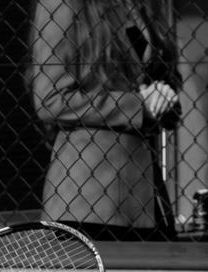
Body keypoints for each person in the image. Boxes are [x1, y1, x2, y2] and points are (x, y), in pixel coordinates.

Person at [27, 0, 182, 241]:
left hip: (145, 195)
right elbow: (50, 99)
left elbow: (155, 84)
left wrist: (163, 99)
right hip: (88, 198)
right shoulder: (63, 4)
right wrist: (138, 105)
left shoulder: (137, 6)